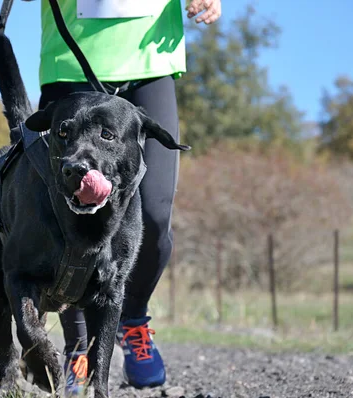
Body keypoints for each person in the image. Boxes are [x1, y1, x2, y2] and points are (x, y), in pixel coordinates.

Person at [23, 0, 222, 393]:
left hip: (151, 60)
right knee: (69, 217)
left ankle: (133, 321)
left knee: (154, 212)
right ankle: (78, 346)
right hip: (71, 60)